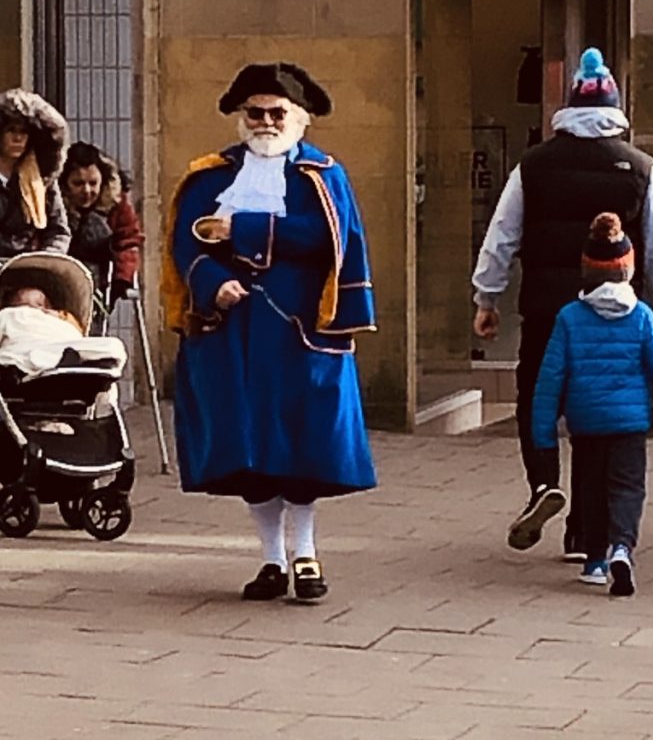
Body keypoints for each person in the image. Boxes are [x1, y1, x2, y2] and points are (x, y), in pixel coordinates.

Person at [161, 62, 377, 602]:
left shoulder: (323, 174)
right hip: (229, 332)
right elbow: (184, 244)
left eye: (276, 113)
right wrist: (210, 282)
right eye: (253, 112)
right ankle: (271, 560)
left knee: (301, 445)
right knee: (249, 448)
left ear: (298, 119)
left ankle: (306, 556)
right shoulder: (210, 176)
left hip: (301, 330)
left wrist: (246, 229)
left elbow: (329, 237)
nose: (264, 122)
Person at [472, 47, 653, 555]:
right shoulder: (640, 169)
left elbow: (502, 233)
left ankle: (544, 482)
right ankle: (584, 532)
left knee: (536, 400)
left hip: (547, 309)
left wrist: (487, 296)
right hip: (616, 313)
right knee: (599, 416)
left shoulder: (534, 165)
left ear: (567, 109)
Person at [532, 212, 653, 596]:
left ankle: (595, 560)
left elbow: (550, 379)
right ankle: (622, 547)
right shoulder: (642, 317)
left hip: (586, 424)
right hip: (630, 425)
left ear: (587, 270)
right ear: (628, 270)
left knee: (592, 490)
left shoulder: (569, 318)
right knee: (628, 488)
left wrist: (542, 433)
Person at [59, 142, 144, 309]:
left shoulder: (116, 203)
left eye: (93, 183)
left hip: (102, 277)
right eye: (78, 183)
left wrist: (122, 278)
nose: (87, 191)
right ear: (64, 184)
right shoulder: (52, 204)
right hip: (62, 271)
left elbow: (128, 241)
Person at [0, 88, 70, 257]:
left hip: (28, 268)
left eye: (23, 132)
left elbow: (58, 232)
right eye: (11, 130)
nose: (18, 138)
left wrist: (44, 259)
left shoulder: (41, 180)